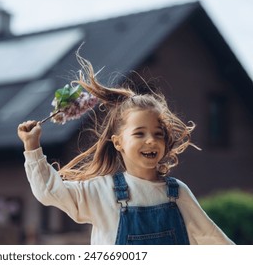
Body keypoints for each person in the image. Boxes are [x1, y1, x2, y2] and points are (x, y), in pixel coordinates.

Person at [17, 53, 234, 245]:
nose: (151, 140)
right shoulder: (101, 191)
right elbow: (48, 192)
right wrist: (32, 146)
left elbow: (213, 240)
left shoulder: (178, 193)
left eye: (158, 134)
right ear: (118, 142)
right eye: (139, 133)